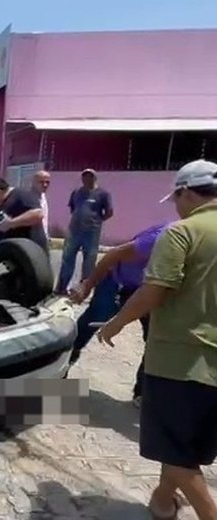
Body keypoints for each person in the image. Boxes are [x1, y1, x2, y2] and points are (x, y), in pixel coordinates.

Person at [97, 159, 217, 520]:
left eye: (176, 198)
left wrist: (115, 324)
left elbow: (155, 291)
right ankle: (163, 503)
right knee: (185, 449)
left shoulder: (182, 232)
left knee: (177, 454)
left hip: (180, 364)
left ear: (184, 192)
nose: (176, 207)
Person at [68, 222, 169, 405]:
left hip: (151, 290)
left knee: (156, 340)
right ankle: (58, 371)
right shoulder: (162, 237)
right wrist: (87, 285)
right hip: (117, 282)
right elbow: (113, 254)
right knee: (90, 323)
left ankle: (142, 394)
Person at [55, 169, 113, 294]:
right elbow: (72, 208)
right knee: (67, 258)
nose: (86, 179)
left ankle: (83, 289)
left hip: (91, 232)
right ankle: (62, 288)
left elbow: (109, 212)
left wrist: (97, 221)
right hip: (74, 231)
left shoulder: (102, 194)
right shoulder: (76, 192)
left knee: (89, 261)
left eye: (90, 177)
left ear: (95, 178)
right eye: (84, 177)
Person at [0, 175, 48, 254]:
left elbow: (38, 214)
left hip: (29, 254)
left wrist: (11, 223)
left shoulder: (21, 195)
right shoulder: (1, 204)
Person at [31, 170, 51, 238]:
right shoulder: (28, 198)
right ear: (34, 183)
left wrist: (46, 234)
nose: (45, 185)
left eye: (47, 182)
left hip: (42, 236)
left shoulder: (43, 196)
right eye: (41, 182)